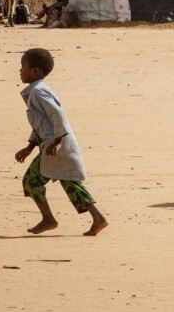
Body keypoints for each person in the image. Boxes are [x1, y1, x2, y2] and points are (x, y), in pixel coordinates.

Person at [14, 48, 108, 236]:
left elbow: (57, 115)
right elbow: (41, 123)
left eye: (23, 66)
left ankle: (48, 218)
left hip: (54, 146)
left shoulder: (38, 92)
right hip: (53, 144)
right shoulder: (36, 90)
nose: (20, 70)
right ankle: (98, 218)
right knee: (69, 182)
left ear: (36, 71)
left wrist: (57, 141)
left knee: (31, 181)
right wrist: (30, 146)